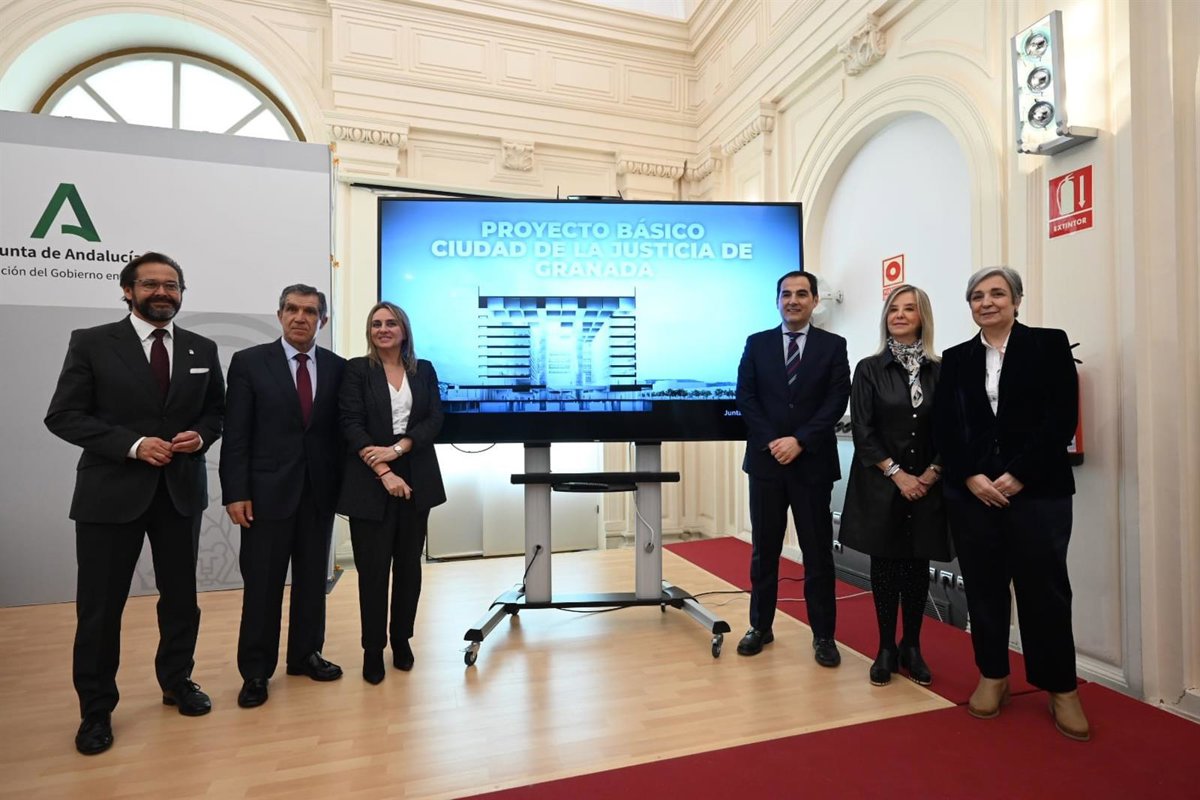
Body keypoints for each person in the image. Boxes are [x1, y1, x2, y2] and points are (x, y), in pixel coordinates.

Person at [45, 252, 224, 755]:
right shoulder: (92, 342)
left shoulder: (202, 347)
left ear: (182, 292)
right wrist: (133, 445)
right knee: (101, 609)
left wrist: (201, 437)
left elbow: (216, 411)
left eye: (172, 285)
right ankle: (96, 709)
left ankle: (177, 681)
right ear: (128, 291)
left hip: (180, 493)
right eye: (150, 284)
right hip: (110, 495)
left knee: (181, 600)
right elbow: (64, 416)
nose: (162, 292)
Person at [933, 266, 1088, 741]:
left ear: (1017, 300)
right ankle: (993, 675)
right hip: (973, 494)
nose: (987, 302)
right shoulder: (956, 359)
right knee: (984, 588)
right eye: (977, 296)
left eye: (998, 293)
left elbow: (1061, 418)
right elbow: (946, 426)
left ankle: (1061, 688)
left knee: (1046, 591)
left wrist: (1019, 474)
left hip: (1037, 492)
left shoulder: (1048, 344)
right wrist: (971, 476)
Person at [219, 284, 347, 709]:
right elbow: (236, 434)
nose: (299, 317)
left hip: (317, 496)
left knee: (312, 583)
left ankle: (305, 655)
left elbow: (338, 436)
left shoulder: (337, 368)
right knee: (263, 587)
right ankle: (256, 671)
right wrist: (235, 492)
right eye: (291, 309)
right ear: (279, 315)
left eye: (309, 311)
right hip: (264, 497)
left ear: (322, 321)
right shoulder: (249, 363)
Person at [735, 270, 851, 667]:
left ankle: (824, 636)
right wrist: (773, 440)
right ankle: (760, 627)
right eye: (786, 294)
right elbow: (746, 398)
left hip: (812, 464)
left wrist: (799, 440)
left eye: (802, 294)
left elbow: (836, 400)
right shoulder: (757, 343)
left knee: (817, 555)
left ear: (815, 300)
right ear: (777, 300)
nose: (793, 300)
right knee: (764, 551)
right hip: (766, 464)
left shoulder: (834, 346)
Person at [839, 285, 951, 687]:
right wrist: (898, 475)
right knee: (886, 566)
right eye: (893, 309)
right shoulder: (869, 369)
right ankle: (886, 647)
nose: (899, 315)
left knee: (917, 566)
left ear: (923, 317)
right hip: (882, 483)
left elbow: (952, 428)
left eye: (909, 309)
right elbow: (863, 430)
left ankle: (912, 646)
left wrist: (931, 474)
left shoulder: (942, 369)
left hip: (928, 485)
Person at [337, 301, 446, 684]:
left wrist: (398, 449)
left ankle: (401, 639)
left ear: (404, 330)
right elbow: (350, 423)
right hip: (369, 481)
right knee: (372, 571)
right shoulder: (357, 370)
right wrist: (383, 469)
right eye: (376, 324)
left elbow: (434, 418)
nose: (382, 329)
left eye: (390, 323)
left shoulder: (424, 370)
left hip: (417, 478)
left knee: (408, 568)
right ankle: (372, 649)